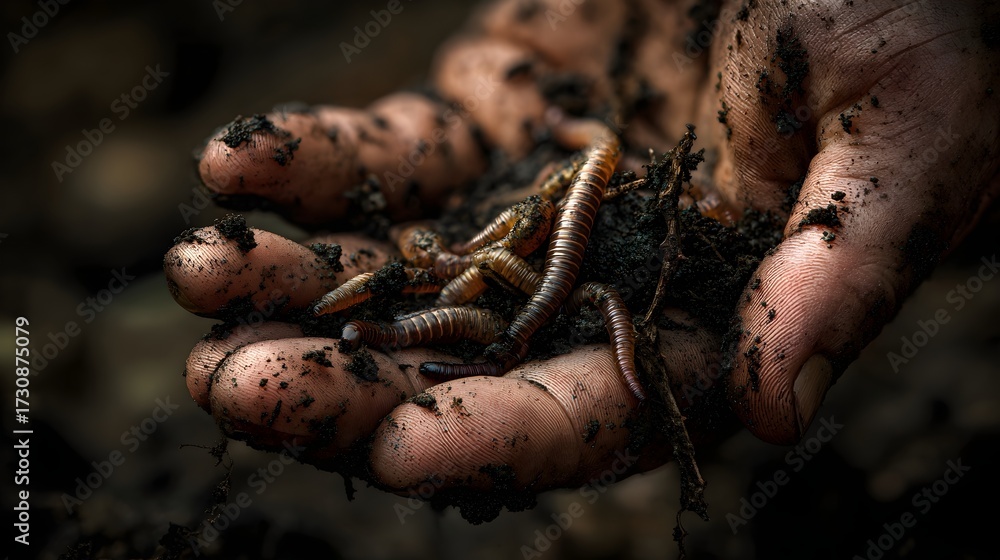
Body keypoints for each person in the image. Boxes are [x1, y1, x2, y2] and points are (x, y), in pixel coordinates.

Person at [164, 0, 999, 504]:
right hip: (523, 264)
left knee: (547, 283)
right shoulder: (500, 245)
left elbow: (564, 214)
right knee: (517, 287)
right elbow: (481, 259)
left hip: (555, 252)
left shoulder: (583, 187)